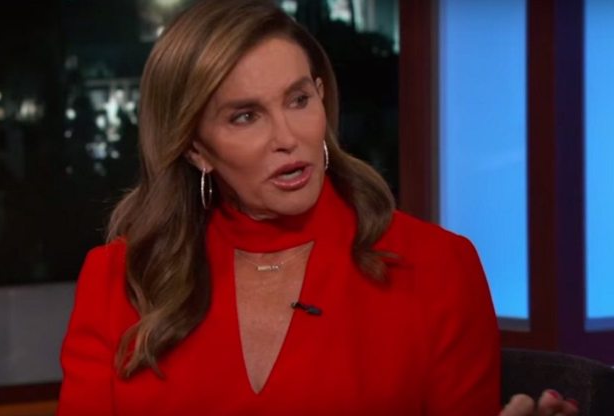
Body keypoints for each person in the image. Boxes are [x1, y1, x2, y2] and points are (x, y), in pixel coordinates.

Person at [57, 1, 578, 415]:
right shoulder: (119, 280)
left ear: (322, 98)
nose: (287, 137)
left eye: (298, 99)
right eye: (245, 116)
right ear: (196, 149)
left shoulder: (437, 267)